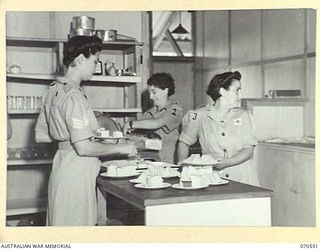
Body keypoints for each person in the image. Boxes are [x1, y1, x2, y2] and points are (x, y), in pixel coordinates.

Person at [34, 35, 137, 226]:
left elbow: (42, 136)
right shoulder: (74, 96)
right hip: (76, 173)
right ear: (80, 59)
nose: (96, 67)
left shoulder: (52, 90)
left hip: (60, 167)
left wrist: (74, 132)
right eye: (95, 61)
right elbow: (83, 148)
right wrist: (123, 148)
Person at [178, 71, 259, 186]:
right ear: (222, 91)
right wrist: (183, 166)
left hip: (243, 178)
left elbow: (248, 149)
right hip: (212, 177)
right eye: (237, 90)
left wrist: (229, 161)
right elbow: (184, 142)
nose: (240, 96)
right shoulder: (199, 115)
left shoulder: (244, 115)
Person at [123, 72, 184, 164]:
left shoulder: (175, 109)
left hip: (166, 162)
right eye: (149, 93)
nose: (151, 97)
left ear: (166, 90)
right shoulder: (149, 113)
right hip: (148, 160)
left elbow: (157, 123)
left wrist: (130, 124)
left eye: (154, 92)